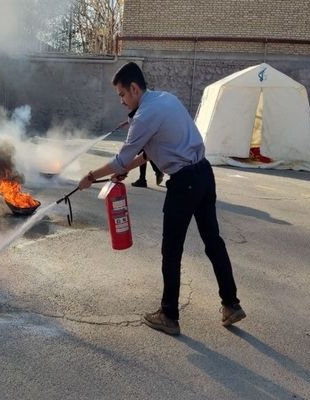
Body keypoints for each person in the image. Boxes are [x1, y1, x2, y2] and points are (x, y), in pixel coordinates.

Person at [78, 62, 245, 335]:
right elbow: (146, 155)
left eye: (122, 95)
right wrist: (122, 172)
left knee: (172, 250)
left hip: (184, 183)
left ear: (134, 88)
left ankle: (169, 315)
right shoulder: (167, 99)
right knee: (213, 241)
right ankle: (231, 303)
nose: (121, 101)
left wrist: (91, 176)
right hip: (204, 174)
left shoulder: (145, 115)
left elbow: (121, 158)